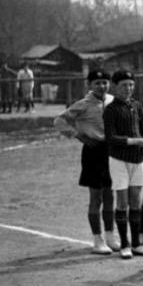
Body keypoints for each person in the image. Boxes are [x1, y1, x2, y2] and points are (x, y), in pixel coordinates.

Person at [53, 69, 119, 254]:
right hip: (93, 151)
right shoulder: (83, 104)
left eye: (105, 82)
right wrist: (77, 135)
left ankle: (110, 237)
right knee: (96, 197)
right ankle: (97, 240)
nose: (102, 86)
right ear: (89, 85)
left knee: (110, 195)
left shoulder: (113, 100)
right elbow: (59, 120)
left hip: (112, 151)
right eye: (97, 83)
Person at [102, 69, 143, 259]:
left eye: (131, 85)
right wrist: (135, 141)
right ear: (116, 87)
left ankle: (136, 243)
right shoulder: (110, 109)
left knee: (136, 201)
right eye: (124, 85)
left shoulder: (137, 106)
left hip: (137, 159)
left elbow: (142, 130)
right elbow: (110, 137)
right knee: (122, 202)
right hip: (119, 160)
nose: (128, 88)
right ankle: (124, 244)